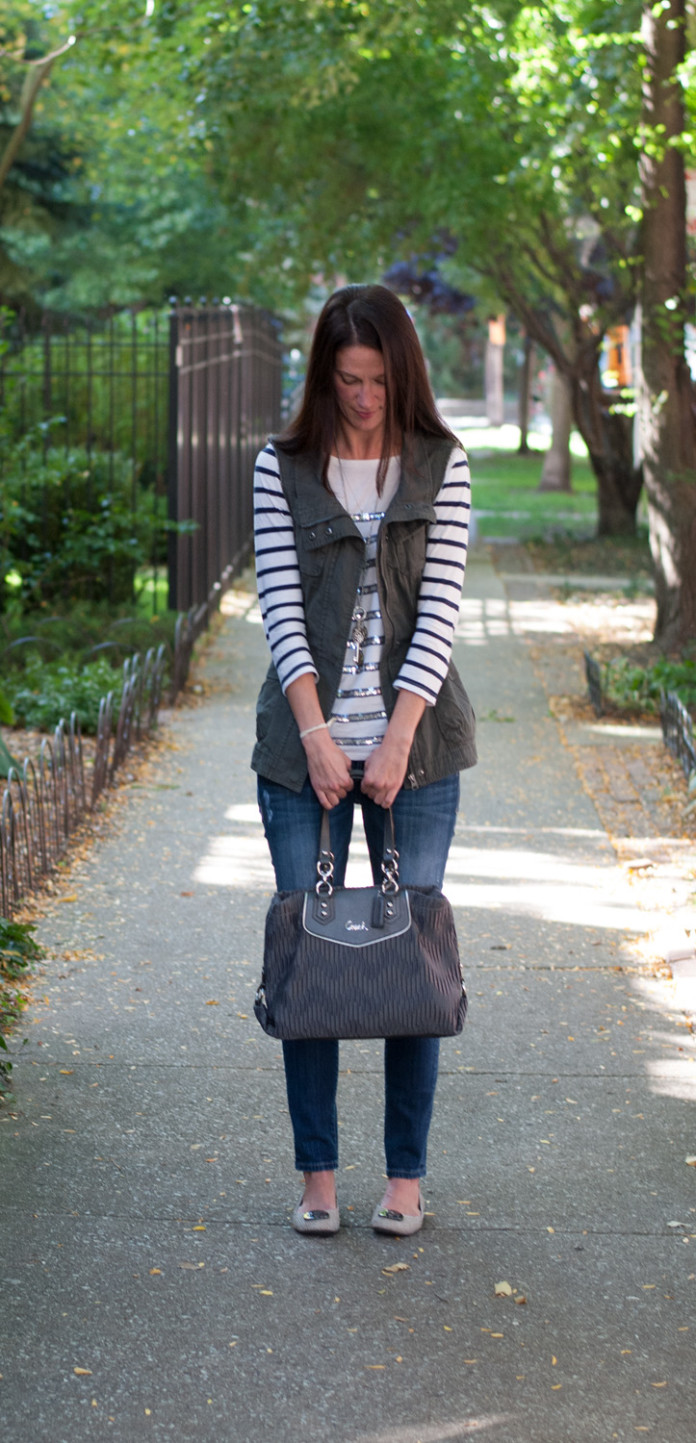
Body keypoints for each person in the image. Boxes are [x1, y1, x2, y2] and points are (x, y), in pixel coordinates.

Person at [252, 283, 476, 1236]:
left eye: (380, 380)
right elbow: (281, 609)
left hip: (414, 758)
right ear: (324, 373)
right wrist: (316, 737)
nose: (364, 398)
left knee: (406, 960)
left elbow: (441, 614)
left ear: (404, 373)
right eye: (348, 379)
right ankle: (317, 1179)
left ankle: (405, 1182)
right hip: (301, 751)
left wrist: (392, 741)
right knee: (312, 959)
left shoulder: (442, 464)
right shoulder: (282, 464)